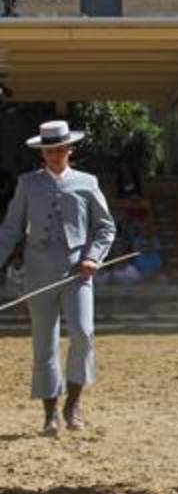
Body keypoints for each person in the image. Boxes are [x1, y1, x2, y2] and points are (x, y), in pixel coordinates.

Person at [0, 120, 116, 435]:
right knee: (44, 344)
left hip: (78, 271)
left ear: (69, 150)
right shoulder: (27, 184)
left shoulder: (87, 183)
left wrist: (94, 256)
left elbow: (106, 227)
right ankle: (50, 414)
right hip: (38, 273)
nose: (55, 154)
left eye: (60, 149)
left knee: (82, 332)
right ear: (42, 152)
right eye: (49, 150)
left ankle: (73, 405)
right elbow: (11, 229)